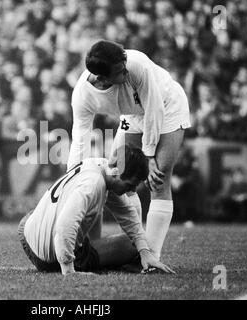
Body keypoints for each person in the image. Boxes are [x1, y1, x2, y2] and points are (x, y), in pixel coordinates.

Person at [67, 40, 191, 260]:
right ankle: (137, 252)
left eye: (124, 65)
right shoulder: (82, 96)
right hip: (133, 115)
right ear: (102, 79)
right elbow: (80, 140)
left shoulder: (137, 65)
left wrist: (150, 155)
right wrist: (73, 178)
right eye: (119, 71)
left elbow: (154, 109)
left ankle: (152, 256)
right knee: (121, 179)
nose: (126, 70)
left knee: (158, 179)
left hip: (167, 106)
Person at [18, 145, 175, 275]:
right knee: (129, 245)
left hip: (27, 228)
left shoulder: (99, 166)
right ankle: (76, 259)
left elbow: (127, 213)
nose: (132, 189)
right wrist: (68, 269)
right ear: (116, 172)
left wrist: (145, 252)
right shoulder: (93, 184)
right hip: (48, 257)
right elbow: (65, 226)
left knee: (138, 243)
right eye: (130, 184)